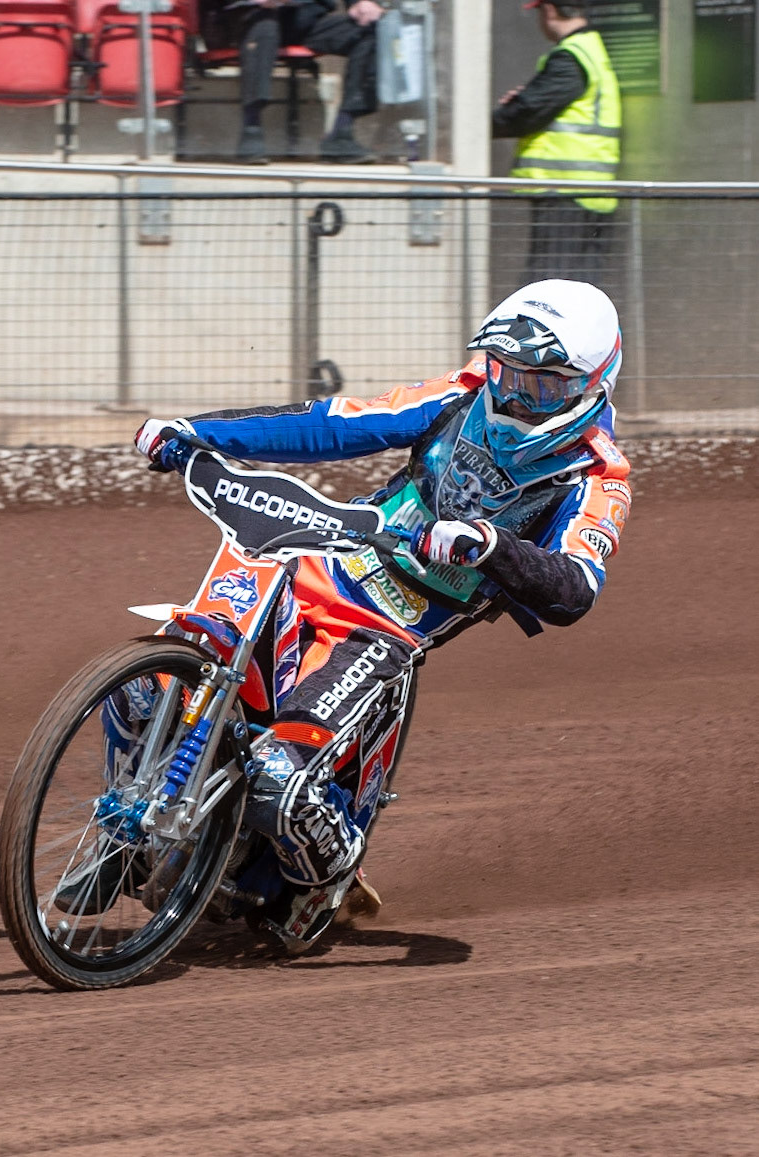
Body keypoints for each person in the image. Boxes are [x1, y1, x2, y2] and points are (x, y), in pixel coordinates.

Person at [132, 278, 630, 951]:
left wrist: (490, 545)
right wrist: (195, 431)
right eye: (507, 371)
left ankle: (326, 876)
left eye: (540, 385)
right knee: (148, 679)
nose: (512, 393)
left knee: (278, 775)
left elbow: (574, 586)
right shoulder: (462, 393)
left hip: (397, 619)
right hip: (332, 550)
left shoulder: (596, 476)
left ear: (591, 382)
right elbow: (332, 422)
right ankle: (121, 847)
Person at [493, 1, 621, 283]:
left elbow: (528, 112)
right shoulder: (591, 52)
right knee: (579, 289)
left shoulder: (570, 58)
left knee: (547, 287)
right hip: (590, 196)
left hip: (566, 198)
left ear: (550, 10)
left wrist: (482, 126)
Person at [230, 0, 386, 164]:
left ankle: (341, 133)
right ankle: (251, 128)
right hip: (247, 19)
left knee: (374, 28)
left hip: (303, 20)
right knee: (264, 26)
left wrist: (361, 3)